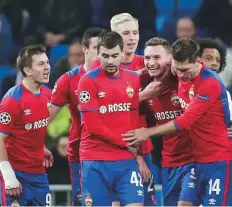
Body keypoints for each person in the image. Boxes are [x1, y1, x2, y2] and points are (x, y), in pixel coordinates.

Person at [123, 38, 232, 206]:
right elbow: (118, 107)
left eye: (185, 70)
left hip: (208, 160)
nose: (181, 74)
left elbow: (186, 121)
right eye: (177, 69)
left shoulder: (208, 83)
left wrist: (146, 133)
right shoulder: (170, 74)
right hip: (174, 161)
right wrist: (141, 91)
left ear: (198, 61)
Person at [78, 31, 144, 206]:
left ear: (122, 53)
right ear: (98, 54)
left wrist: (139, 155)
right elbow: (93, 126)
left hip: (126, 159)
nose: (110, 61)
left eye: (115, 55)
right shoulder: (87, 81)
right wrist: (126, 143)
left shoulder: (133, 79)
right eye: (105, 56)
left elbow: (134, 118)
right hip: (95, 158)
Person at [49, 27, 105, 206]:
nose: (101, 53)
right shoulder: (68, 80)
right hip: (80, 151)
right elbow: (44, 119)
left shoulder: (116, 77)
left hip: (111, 152)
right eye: (97, 47)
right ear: (85, 49)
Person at [142, 37, 197, 206]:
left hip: (196, 160)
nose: (151, 62)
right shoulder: (146, 90)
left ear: (170, 59)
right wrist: (143, 96)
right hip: (169, 163)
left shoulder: (186, 81)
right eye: (147, 58)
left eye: (157, 57)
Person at [0, 44, 53, 206]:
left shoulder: (47, 94)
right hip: (16, 174)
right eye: (41, 64)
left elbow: (31, 127)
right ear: (28, 71)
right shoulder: (12, 101)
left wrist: (41, 148)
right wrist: (9, 176)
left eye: (47, 62)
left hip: (39, 174)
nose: (47, 68)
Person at [197, 37, 232, 120]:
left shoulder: (225, 93)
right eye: (209, 58)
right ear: (196, 59)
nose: (214, 63)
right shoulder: (184, 87)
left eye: (218, 60)